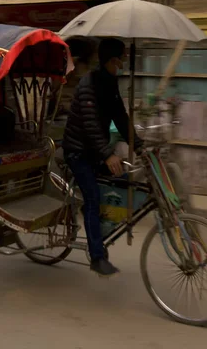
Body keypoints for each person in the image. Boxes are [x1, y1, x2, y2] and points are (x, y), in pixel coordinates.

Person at [62, 38, 143, 277]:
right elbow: (90, 126)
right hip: (78, 151)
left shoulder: (110, 82)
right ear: (113, 59)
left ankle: (103, 230)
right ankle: (97, 256)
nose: (124, 63)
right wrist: (107, 155)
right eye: (121, 58)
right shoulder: (89, 84)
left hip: (94, 150)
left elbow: (120, 117)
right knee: (93, 198)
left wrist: (139, 145)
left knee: (121, 180)